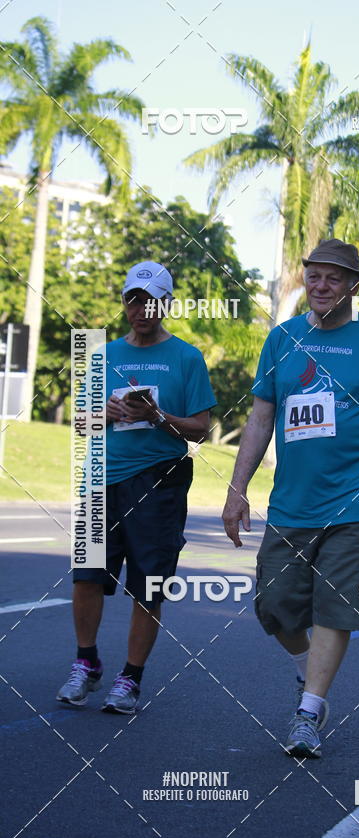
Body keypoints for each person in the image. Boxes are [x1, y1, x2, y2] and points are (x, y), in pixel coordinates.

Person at [222, 238, 359, 759]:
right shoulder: (282, 339)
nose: (322, 285)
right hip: (291, 504)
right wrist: (237, 489)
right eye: (314, 276)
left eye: (335, 277)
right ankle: (308, 670)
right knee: (275, 609)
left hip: (358, 502)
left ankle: (309, 712)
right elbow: (260, 417)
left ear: (355, 285)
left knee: (337, 607)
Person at [57, 261, 216, 713]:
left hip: (158, 482)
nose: (141, 308)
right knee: (86, 577)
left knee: (147, 586)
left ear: (166, 303)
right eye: (133, 299)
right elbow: (80, 421)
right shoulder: (102, 354)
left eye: (151, 300)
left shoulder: (187, 357)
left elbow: (200, 430)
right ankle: (86, 663)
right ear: (124, 302)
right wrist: (103, 414)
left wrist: (156, 416)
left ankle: (130, 678)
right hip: (99, 479)